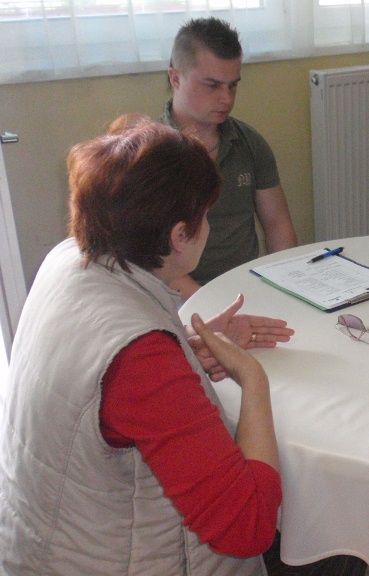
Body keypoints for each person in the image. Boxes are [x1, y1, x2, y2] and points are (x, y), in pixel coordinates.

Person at [0, 116, 295, 575]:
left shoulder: (68, 259)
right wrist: (253, 380)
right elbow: (248, 527)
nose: (208, 227)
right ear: (180, 236)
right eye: (205, 218)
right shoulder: (141, 359)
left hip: (40, 542)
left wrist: (183, 353)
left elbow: (97, 381)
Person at [163, 17, 298, 300]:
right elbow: (156, 259)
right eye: (212, 85)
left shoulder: (249, 143)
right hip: (182, 300)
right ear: (175, 78)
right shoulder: (152, 155)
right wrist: (210, 307)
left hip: (246, 290)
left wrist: (287, 289)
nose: (226, 98)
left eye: (232, 86)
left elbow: (278, 225)